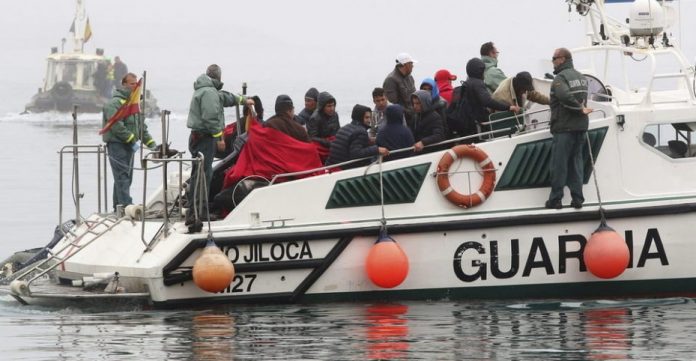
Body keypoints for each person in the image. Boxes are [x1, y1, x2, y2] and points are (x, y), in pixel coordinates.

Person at [185, 64, 246, 231]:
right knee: (203, 176)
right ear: (218, 77)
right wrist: (219, 137)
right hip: (205, 139)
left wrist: (241, 99)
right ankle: (198, 212)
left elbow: (224, 98)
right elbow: (211, 118)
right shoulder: (210, 92)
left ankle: (195, 211)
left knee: (199, 174)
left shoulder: (205, 90)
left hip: (197, 137)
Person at [545, 48, 592, 210]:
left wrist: (579, 109)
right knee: (576, 163)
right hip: (580, 127)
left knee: (559, 165)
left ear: (562, 59)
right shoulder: (581, 77)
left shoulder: (560, 78)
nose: (552, 61)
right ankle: (577, 199)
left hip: (564, 127)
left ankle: (556, 199)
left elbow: (564, 96)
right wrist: (581, 110)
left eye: (554, 58)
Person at [102, 72, 157, 211]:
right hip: (117, 145)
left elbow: (141, 128)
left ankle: (118, 207)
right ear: (124, 84)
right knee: (122, 176)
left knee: (126, 177)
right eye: (132, 83)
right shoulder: (115, 103)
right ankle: (127, 205)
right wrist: (131, 139)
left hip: (129, 146)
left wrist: (152, 144)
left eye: (136, 83)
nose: (135, 86)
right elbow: (115, 125)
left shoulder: (134, 104)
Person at [463, 58, 520, 137]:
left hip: (470, 124)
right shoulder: (477, 83)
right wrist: (508, 107)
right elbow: (487, 101)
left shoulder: (467, 83)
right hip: (480, 124)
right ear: (479, 71)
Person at [383, 52, 417, 124]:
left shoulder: (410, 77)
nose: (413, 66)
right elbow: (392, 103)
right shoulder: (391, 80)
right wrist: (409, 113)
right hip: (401, 120)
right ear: (405, 65)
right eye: (411, 64)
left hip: (414, 117)